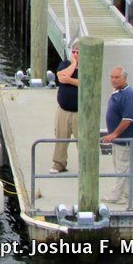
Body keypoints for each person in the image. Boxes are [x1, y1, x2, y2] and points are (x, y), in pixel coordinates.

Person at [101, 66, 133, 204]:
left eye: (117, 77)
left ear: (124, 78)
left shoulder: (128, 95)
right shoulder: (118, 92)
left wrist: (114, 134)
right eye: (111, 77)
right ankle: (132, 193)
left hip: (126, 138)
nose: (113, 80)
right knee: (124, 166)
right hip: (120, 139)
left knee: (122, 167)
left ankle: (116, 196)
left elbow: (128, 119)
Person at [50, 41, 79, 174]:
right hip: (63, 109)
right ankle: (59, 163)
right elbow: (61, 77)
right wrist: (73, 64)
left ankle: (87, 164)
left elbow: (85, 82)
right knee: (61, 136)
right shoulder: (66, 64)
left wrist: (70, 80)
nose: (75, 54)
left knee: (83, 139)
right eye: (74, 52)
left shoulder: (88, 66)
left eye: (78, 52)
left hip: (80, 112)